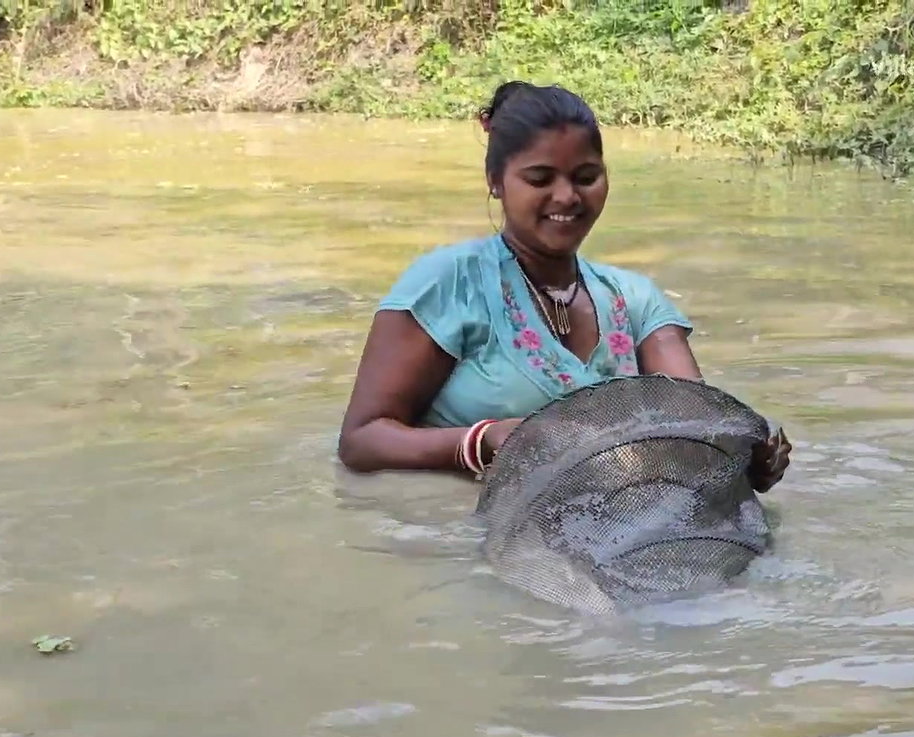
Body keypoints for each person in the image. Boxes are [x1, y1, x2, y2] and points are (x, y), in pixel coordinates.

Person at [337, 80, 791, 490]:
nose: (567, 198)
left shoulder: (635, 300)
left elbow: (692, 423)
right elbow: (362, 441)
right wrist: (484, 441)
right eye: (539, 179)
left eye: (586, 177)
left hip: (615, 531)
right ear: (496, 181)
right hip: (471, 541)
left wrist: (740, 457)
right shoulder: (448, 283)